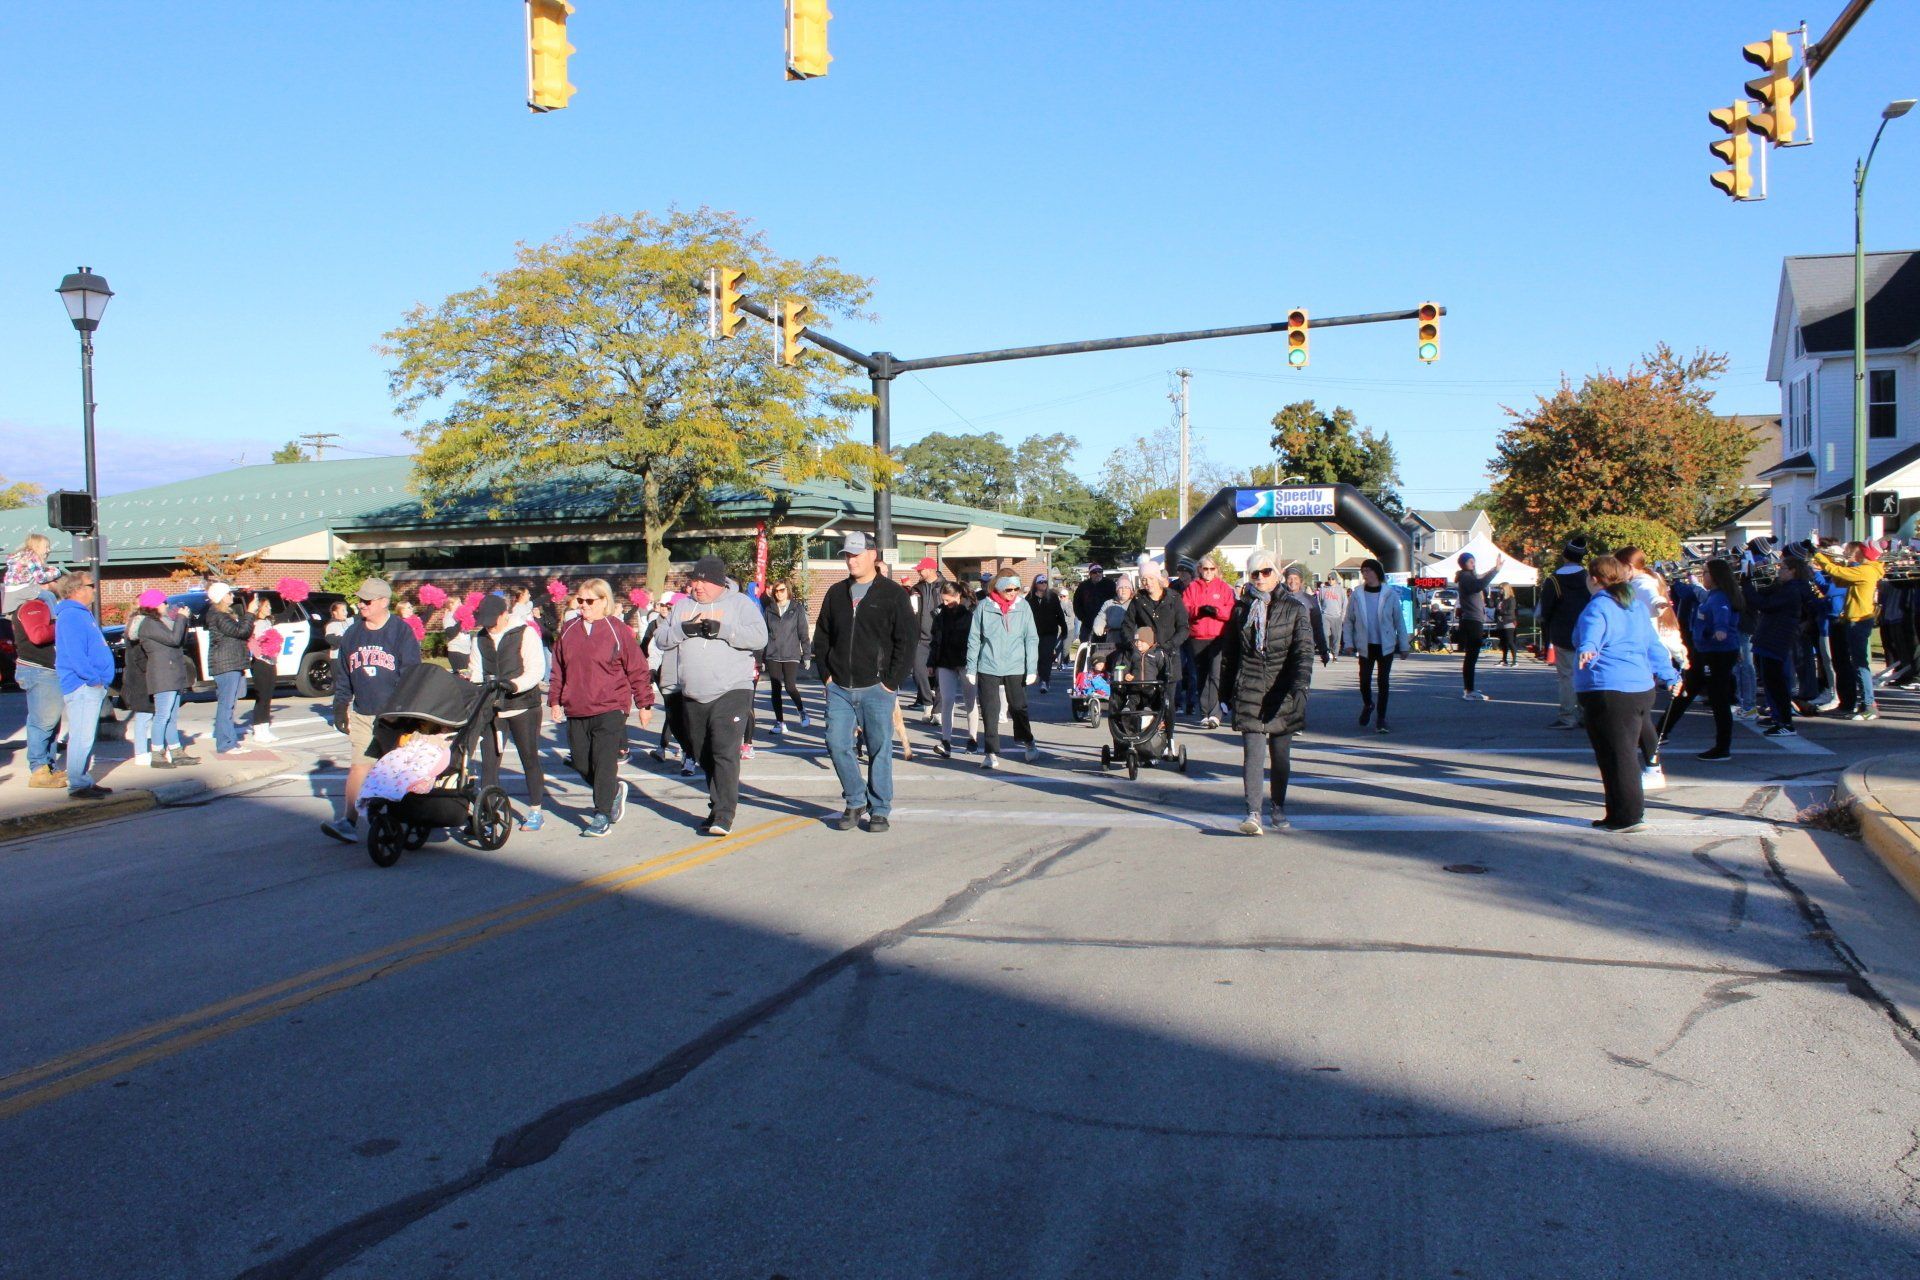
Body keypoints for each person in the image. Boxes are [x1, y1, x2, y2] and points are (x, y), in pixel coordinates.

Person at [812, 531, 916, 833]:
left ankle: (880, 808)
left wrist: (891, 681)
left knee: (879, 748)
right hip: (840, 687)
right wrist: (827, 676)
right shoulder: (836, 593)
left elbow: (906, 640)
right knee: (836, 743)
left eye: (856, 554)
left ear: (873, 555)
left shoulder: (893, 594)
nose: (851, 560)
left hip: (877, 687)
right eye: (847, 554)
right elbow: (823, 636)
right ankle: (856, 799)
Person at [1574, 555, 1681, 833]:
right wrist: (1670, 675)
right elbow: (1653, 645)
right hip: (1639, 687)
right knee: (1618, 755)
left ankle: (1628, 816)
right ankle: (1617, 813)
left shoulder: (1598, 605)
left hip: (1609, 688)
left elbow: (1591, 634)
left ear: (1594, 579)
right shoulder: (1634, 606)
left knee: (1617, 757)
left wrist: (1588, 647)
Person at [660, 557, 765, 837]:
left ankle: (724, 814)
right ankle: (717, 804)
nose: (698, 586)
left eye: (704, 581)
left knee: (723, 749)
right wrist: (683, 630)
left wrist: (724, 631)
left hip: (733, 688)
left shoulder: (740, 603)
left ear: (719, 582)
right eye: (695, 580)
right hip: (693, 692)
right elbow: (660, 639)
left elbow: (759, 638)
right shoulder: (682, 606)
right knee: (701, 751)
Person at [550, 578, 654, 838]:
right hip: (577, 707)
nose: (583, 605)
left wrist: (644, 703)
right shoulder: (569, 630)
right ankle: (614, 791)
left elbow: (637, 668)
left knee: (604, 762)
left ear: (604, 601)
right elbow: (558, 669)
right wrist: (554, 700)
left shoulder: (616, 629)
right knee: (581, 763)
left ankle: (602, 814)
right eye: (580, 600)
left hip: (610, 706)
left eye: (589, 601)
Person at [322, 578, 423, 843]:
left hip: (394, 716)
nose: (361, 605)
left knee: (396, 770)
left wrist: (406, 711)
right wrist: (340, 706)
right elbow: (344, 674)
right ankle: (348, 821)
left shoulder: (400, 632)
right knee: (359, 766)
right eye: (360, 600)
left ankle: (401, 818)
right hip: (363, 713)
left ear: (383, 602)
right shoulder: (353, 634)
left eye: (367, 601)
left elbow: (411, 674)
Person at [1222, 550, 1315, 836]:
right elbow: (1230, 654)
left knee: (1280, 755)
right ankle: (1253, 813)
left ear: (1277, 574)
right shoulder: (1241, 610)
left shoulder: (1295, 609)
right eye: (1255, 573)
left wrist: (1300, 685)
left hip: (1282, 688)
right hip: (1249, 686)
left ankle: (1277, 806)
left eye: (1266, 572)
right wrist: (1224, 692)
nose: (1260, 578)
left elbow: (1303, 651)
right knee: (1253, 754)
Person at [468, 594, 550, 831]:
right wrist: (473, 685)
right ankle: (488, 813)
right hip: (492, 707)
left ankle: (535, 810)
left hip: (523, 705)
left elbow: (536, 669)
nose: (489, 627)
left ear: (504, 615)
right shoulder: (480, 638)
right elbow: (476, 670)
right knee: (489, 763)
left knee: (529, 758)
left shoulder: (525, 633)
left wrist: (514, 685)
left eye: (492, 621)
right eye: (485, 622)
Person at [1661, 559, 1741, 762]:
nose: (1702, 575)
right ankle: (1660, 731)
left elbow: (1722, 616)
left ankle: (1722, 748)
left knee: (1718, 699)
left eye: (1705, 572)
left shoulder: (1720, 597)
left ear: (1715, 576)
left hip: (1716, 653)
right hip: (1705, 651)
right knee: (1687, 691)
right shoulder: (1712, 595)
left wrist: (1720, 631)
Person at [967, 571, 1041, 768]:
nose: (1013, 592)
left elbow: (1031, 638)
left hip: (1016, 665)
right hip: (988, 664)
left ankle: (1028, 740)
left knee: (1018, 707)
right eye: (1009, 589)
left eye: (1016, 588)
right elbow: (974, 638)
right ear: (998, 588)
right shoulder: (984, 606)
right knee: (990, 710)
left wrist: (1031, 668)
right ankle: (990, 752)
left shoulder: (1023, 606)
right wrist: (971, 667)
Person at [51, 573, 114, 800]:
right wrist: (92, 679)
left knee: (86, 736)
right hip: (83, 686)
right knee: (81, 736)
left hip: (90, 685)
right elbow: (75, 654)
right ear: (77, 589)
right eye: (90, 585)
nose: (94, 589)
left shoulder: (81, 614)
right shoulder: (71, 616)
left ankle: (83, 779)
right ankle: (77, 784)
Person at [1813, 541, 1887, 721]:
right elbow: (1839, 580)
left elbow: (1836, 572)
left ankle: (1869, 705)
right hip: (1854, 619)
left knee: (1860, 665)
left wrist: (1817, 555)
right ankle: (1862, 703)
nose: (1857, 552)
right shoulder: (1864, 569)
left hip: (1858, 621)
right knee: (1855, 663)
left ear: (1865, 554)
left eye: (1861, 550)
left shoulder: (1866, 570)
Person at [10, 558, 66, 790]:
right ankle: (39, 769)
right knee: (43, 722)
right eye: (57, 580)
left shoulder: (42, 605)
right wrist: (61, 625)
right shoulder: (34, 605)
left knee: (51, 723)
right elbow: (38, 635)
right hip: (39, 669)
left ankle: (48, 766)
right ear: (46, 583)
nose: (60, 584)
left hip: (45, 670)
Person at [1748, 554, 1816, 737]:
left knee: (1776, 682)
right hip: (1770, 637)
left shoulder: (1793, 590)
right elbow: (1765, 594)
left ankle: (1785, 722)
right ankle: (1777, 716)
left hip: (1777, 639)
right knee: (1770, 681)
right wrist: (1755, 576)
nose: (1779, 571)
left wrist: (1747, 587)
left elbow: (1765, 604)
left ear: (1793, 571)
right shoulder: (1785, 587)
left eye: (1783, 568)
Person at [1342, 559, 1411, 733]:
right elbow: (1349, 620)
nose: (1365, 574)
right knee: (1364, 680)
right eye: (1363, 571)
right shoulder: (1357, 594)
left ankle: (1381, 718)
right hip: (1365, 644)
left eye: (1369, 570)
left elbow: (1399, 621)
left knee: (1383, 682)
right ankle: (1368, 704)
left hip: (1385, 644)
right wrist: (1348, 642)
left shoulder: (1389, 594)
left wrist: (1404, 645)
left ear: (1377, 572)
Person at [1123, 562, 1190, 735]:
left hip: (1169, 657)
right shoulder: (1138, 600)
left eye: (1151, 578)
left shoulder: (1174, 598)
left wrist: (1169, 645)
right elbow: (1127, 625)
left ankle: (1169, 738)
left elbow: (1183, 628)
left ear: (1158, 578)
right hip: (1145, 659)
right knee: (1146, 699)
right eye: (1144, 579)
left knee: (1167, 701)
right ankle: (1145, 736)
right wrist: (1133, 646)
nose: (1147, 583)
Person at [133, 591, 197, 768]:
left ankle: (176, 752)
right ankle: (157, 753)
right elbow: (173, 639)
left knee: (171, 717)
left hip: (173, 673)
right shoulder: (149, 624)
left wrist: (184, 621)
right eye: (163, 602)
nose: (167, 605)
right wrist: (181, 618)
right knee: (162, 716)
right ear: (153, 605)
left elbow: (180, 640)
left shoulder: (160, 622)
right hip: (162, 675)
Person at [1536, 537, 1592, 727]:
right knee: (1586, 674)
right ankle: (1586, 715)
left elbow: (1545, 610)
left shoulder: (1554, 579)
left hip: (1563, 633)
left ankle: (1567, 715)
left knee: (1567, 676)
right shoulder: (1588, 578)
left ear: (1564, 555)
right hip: (1588, 633)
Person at [1182, 555, 1236, 728]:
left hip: (1218, 637)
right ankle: (1205, 713)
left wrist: (1216, 611)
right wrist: (1199, 611)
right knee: (1201, 675)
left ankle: (1215, 713)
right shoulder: (1192, 587)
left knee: (1216, 674)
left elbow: (1231, 611)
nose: (1208, 572)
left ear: (1217, 570)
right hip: (1197, 637)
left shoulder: (1224, 588)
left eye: (1212, 569)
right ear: (1199, 569)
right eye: (1205, 568)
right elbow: (1184, 609)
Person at [928, 579, 979, 757]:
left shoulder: (971, 613)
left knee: (970, 700)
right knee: (947, 700)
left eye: (948, 600)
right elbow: (935, 640)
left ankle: (972, 738)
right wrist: (931, 662)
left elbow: (977, 639)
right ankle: (946, 741)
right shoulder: (940, 614)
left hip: (966, 662)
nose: (945, 603)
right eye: (943, 600)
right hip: (945, 661)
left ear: (958, 596)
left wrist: (975, 663)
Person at [204, 582, 253, 755]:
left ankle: (228, 739)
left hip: (232, 662)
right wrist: (250, 613)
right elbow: (241, 632)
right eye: (229, 594)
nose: (232, 596)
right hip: (226, 664)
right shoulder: (218, 616)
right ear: (221, 597)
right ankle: (226, 744)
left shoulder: (224, 614)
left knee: (229, 704)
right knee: (226, 705)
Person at [760, 579, 811, 737]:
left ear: (787, 590)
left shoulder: (796, 608)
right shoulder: (769, 609)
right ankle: (779, 722)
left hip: (791, 653)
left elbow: (803, 632)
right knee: (775, 688)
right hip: (773, 654)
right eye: (776, 591)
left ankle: (801, 710)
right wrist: (761, 657)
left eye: (782, 590)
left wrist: (806, 655)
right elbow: (763, 633)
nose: (779, 593)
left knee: (790, 686)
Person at [1453, 550, 1503, 701]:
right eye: (1470, 561)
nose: (1473, 564)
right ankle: (1469, 690)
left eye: (1474, 561)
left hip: (1473, 619)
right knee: (1471, 656)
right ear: (1463, 563)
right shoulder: (1466, 577)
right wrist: (1495, 571)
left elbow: (1480, 578)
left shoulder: (1468, 576)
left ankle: (1469, 688)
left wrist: (1495, 569)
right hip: (1472, 620)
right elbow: (1479, 584)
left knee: (1471, 656)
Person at [245, 593, 283, 744]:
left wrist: (293, 601)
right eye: (266, 606)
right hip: (260, 663)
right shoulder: (256, 623)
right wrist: (263, 646)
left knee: (268, 697)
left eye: (269, 606)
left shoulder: (268, 622)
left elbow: (285, 615)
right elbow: (253, 644)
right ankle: (258, 730)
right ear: (259, 608)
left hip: (271, 662)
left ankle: (265, 729)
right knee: (262, 697)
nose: (270, 608)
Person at [908, 557, 941, 713]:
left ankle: (938, 711)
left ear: (930, 569)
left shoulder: (945, 586)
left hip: (940, 639)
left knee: (940, 676)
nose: (919, 572)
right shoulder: (916, 589)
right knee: (918, 672)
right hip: (920, 639)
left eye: (921, 569)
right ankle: (927, 703)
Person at [1027, 573, 1068, 693]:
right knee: (1038, 656)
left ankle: (1045, 680)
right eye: (1041, 582)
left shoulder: (1052, 597)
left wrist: (1064, 628)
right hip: (1034, 632)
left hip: (1049, 632)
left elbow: (1059, 613)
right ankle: (1040, 675)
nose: (1043, 584)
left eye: (1045, 582)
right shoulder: (1029, 598)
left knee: (1046, 655)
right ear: (1035, 584)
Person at [1282, 566, 1329, 664]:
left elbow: (1317, 627)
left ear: (1301, 581)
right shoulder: (1279, 599)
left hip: (1304, 647)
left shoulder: (1310, 601)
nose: (1292, 581)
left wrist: (1323, 650)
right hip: (1283, 649)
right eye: (1290, 578)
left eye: (1296, 578)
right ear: (1286, 580)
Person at [1072, 563, 1117, 643]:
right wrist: (1083, 618)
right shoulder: (1083, 586)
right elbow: (1077, 604)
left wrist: (1110, 619)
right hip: (1087, 625)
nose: (1098, 574)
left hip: (1106, 624)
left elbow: (1115, 601)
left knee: (1106, 648)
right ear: (1090, 574)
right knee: (1086, 647)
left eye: (1100, 571)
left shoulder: (1110, 584)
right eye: (1094, 572)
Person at [1093, 574, 1134, 646]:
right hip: (1112, 640)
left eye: (1126, 587)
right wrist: (1099, 625)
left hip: (1131, 640)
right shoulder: (1108, 603)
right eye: (1120, 588)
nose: (1123, 590)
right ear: (1117, 591)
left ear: (1131, 590)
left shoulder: (1135, 603)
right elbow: (1101, 616)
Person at [1318, 578, 1349, 661]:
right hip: (1325, 615)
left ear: (1336, 580)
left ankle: (1335, 654)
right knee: (1325, 634)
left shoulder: (1341, 590)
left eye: (1332, 579)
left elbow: (1345, 603)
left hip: (1337, 616)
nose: (1330, 580)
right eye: (1329, 579)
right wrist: (1321, 612)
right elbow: (1319, 601)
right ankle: (1327, 652)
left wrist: (1342, 616)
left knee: (1336, 636)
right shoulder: (1323, 589)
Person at [1493, 583, 1519, 666]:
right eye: (1499, 589)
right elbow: (1493, 606)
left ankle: (1515, 661)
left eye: (1501, 589)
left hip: (1509, 622)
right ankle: (1504, 660)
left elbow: (1510, 611)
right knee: (1503, 642)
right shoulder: (1500, 599)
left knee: (1510, 641)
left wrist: (1500, 611)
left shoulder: (1511, 599)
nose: (1500, 591)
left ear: (1505, 589)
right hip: (1500, 622)